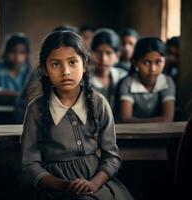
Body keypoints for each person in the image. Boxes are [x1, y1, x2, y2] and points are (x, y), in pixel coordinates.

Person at [21, 31, 134, 200]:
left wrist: (94, 184)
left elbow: (111, 157)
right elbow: (30, 165)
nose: (66, 71)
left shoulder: (99, 103)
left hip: (99, 183)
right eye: (56, 65)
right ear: (44, 70)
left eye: (73, 62)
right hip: (55, 187)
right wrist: (64, 185)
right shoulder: (36, 109)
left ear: (85, 64)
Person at [119, 37, 175, 123]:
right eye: (146, 63)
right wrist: (160, 121)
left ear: (165, 62)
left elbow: (168, 119)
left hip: (161, 134)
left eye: (158, 62)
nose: (152, 69)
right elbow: (125, 119)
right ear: (135, 63)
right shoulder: (128, 83)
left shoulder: (167, 82)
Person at [90, 28, 127, 110]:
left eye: (109, 53)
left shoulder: (124, 77)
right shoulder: (84, 78)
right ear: (91, 54)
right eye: (99, 53)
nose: (103, 58)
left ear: (117, 56)